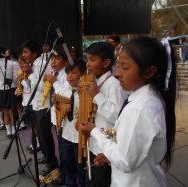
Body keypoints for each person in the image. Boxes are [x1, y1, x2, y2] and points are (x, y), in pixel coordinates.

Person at [79, 37, 176, 187]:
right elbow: (129, 146)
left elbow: (124, 161)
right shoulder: (145, 99)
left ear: (150, 72)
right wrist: (110, 155)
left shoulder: (138, 109)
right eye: (118, 66)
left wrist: (94, 131)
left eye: (125, 68)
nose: (118, 73)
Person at [80, 42, 127, 187]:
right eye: (87, 60)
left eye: (93, 60)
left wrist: (96, 95)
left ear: (106, 62)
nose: (88, 64)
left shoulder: (114, 85)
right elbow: (91, 111)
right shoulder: (93, 82)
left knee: (102, 182)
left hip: (107, 148)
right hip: (93, 144)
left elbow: (117, 117)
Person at [21, 39, 58, 176]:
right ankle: (46, 156)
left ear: (35, 53)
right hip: (36, 104)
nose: (23, 55)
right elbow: (30, 86)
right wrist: (25, 76)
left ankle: (52, 162)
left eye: (26, 52)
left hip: (45, 105)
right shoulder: (31, 65)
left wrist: (30, 73)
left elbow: (44, 87)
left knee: (45, 134)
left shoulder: (43, 65)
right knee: (40, 134)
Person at [52, 59, 87, 187]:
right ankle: (69, 183)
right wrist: (57, 103)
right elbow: (58, 112)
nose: (69, 76)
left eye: (74, 73)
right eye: (67, 73)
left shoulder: (87, 91)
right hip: (66, 133)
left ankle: (82, 184)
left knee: (81, 165)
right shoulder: (63, 90)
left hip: (81, 137)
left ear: (83, 74)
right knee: (67, 161)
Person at [43, 45, 68, 185]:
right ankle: (62, 169)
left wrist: (54, 82)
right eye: (52, 58)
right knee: (60, 143)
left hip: (63, 116)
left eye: (57, 58)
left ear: (65, 61)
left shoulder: (66, 75)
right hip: (55, 114)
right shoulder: (54, 73)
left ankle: (65, 173)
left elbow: (65, 95)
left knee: (64, 145)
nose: (53, 61)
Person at [0, 44, 19, 139]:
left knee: (5, 111)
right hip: (11, 89)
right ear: (4, 53)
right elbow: (16, 78)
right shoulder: (13, 63)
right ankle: (14, 130)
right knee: (12, 111)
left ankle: (8, 132)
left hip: (0, 90)